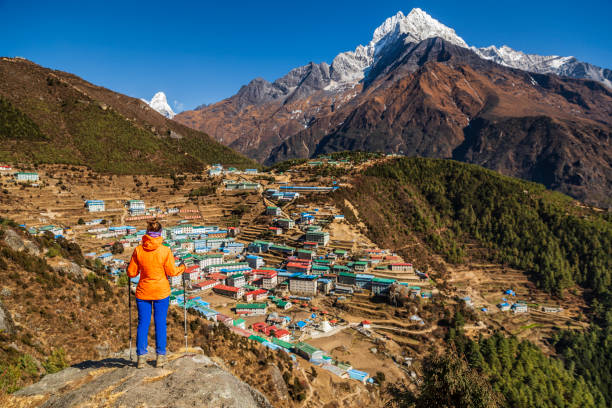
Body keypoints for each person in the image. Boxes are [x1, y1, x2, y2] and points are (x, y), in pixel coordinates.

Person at [127, 219, 185, 368]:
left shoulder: (138, 250)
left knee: (143, 324)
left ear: (147, 233)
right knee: (160, 324)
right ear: (160, 234)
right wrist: (182, 268)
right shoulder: (165, 250)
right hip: (161, 292)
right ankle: (160, 357)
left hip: (143, 292)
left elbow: (132, 273)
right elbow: (172, 272)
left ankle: (141, 358)